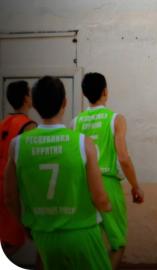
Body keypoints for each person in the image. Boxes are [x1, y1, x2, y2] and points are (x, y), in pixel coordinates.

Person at [3, 76, 111, 269]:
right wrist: (108, 208)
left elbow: (10, 197)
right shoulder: (83, 142)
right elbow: (99, 197)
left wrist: (26, 225)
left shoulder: (17, 145)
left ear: (35, 105)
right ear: (65, 102)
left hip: (43, 235)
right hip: (82, 232)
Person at [72, 72, 144, 269]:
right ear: (105, 91)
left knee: (90, 243)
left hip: (83, 186)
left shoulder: (76, 122)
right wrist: (135, 186)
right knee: (118, 242)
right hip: (107, 183)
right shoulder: (115, 119)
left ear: (84, 94)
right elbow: (123, 157)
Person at [0, 80, 37, 257]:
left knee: (6, 238)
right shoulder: (28, 126)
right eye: (30, 93)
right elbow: (32, 161)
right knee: (16, 239)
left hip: (1, 185)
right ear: (26, 98)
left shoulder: (3, 123)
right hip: (13, 188)